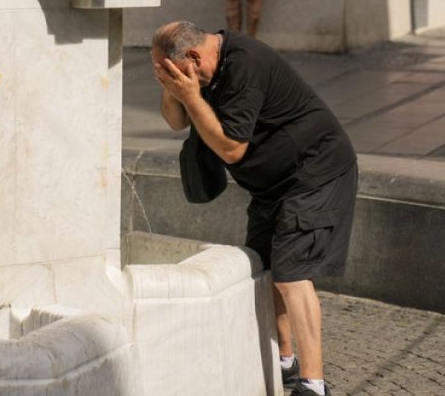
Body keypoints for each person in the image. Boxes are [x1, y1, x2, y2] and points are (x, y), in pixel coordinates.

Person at [151, 21, 357, 396]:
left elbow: (232, 148)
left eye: (173, 68)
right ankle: (285, 363)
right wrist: (172, 88)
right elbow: (175, 121)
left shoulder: (245, 65)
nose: (172, 77)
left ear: (194, 57)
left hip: (314, 172)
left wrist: (192, 97)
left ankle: (314, 385)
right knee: (264, 267)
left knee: (291, 274)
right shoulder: (201, 70)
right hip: (271, 185)